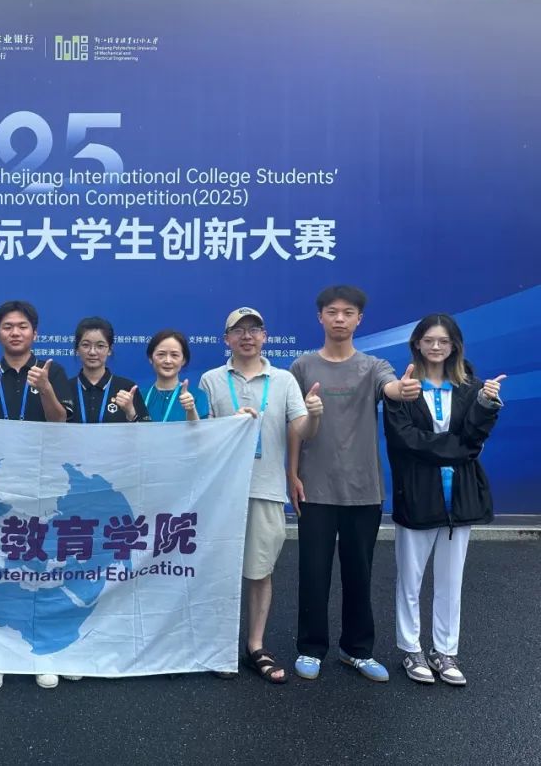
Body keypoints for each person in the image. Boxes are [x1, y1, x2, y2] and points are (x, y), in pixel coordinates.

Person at [288, 285, 421, 682]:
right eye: (333, 312)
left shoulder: (373, 366)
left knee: (359, 574)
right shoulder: (302, 367)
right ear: (320, 317)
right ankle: (310, 648)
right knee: (313, 573)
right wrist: (291, 473)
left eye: (348, 312)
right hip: (314, 487)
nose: (340, 319)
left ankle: (357, 650)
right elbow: (293, 426)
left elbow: (391, 387)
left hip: (363, 489)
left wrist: (402, 390)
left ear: (359, 319)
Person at [198, 307, 322, 683]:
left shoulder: (283, 380)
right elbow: (199, 435)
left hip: (265, 489)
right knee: (218, 572)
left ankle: (255, 646)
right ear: (227, 339)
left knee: (259, 571)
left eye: (254, 329)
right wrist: (229, 425)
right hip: (220, 493)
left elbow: (303, 431)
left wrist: (315, 414)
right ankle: (219, 647)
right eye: (238, 331)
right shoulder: (211, 380)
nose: (247, 336)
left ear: (265, 336)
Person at [383, 314, 503, 686]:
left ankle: (444, 651)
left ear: (454, 346)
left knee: (451, 581)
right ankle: (411, 649)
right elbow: (405, 440)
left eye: (444, 341)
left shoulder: (471, 387)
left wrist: (485, 404)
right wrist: (459, 449)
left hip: (459, 498)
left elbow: (475, 437)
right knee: (410, 579)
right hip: (417, 495)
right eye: (429, 340)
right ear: (417, 344)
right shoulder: (403, 388)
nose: (436, 347)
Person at [0, 300, 75, 690]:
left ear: (35, 333)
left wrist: (45, 388)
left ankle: (41, 651)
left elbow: (60, 421)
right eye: (8, 326)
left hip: (43, 485)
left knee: (42, 567)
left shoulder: (53, 371)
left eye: (23, 326)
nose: (15, 332)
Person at [69, 316, 149, 424]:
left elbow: (147, 430)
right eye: (86, 345)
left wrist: (131, 412)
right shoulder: (65, 388)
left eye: (100, 346)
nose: (92, 352)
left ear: (110, 350)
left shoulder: (127, 388)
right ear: (77, 349)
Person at [143, 330, 207, 422]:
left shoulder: (197, 396)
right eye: (161, 354)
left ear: (183, 360)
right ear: (150, 358)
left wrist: (191, 410)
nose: (168, 361)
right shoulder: (140, 396)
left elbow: (201, 430)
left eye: (174, 355)